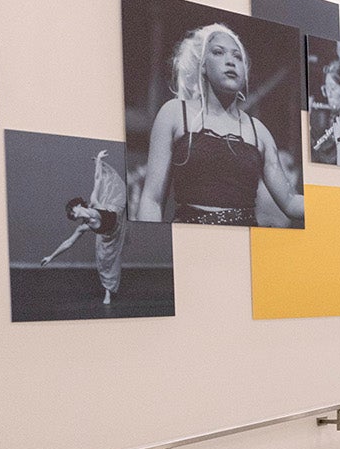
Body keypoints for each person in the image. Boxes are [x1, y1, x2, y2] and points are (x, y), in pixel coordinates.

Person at [136, 22, 304, 227]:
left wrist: (337, 200)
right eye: (219, 52)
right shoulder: (174, 113)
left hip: (245, 246)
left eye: (238, 57)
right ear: (203, 65)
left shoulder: (257, 131)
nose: (231, 62)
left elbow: (290, 202)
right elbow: (152, 199)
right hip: (191, 242)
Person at [40, 149, 130, 306]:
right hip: (108, 235)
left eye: (74, 212)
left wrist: (99, 161)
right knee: (104, 261)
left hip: (116, 214)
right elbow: (68, 242)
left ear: (78, 205)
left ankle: (126, 230)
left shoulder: (94, 201)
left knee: (113, 192)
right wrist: (51, 257)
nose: (75, 216)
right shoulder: (84, 226)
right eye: (73, 216)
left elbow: (97, 179)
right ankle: (107, 292)